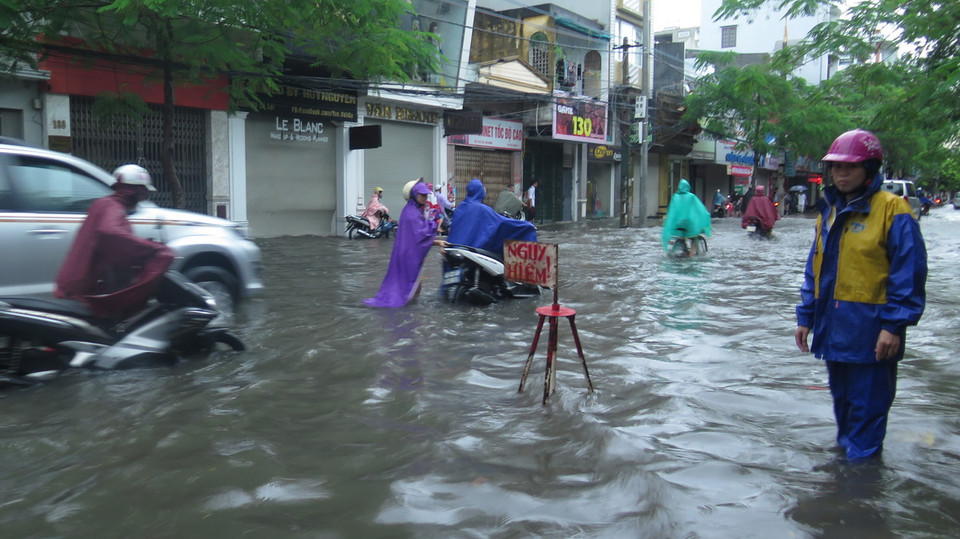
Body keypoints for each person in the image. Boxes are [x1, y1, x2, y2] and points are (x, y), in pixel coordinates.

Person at [795, 128, 927, 460]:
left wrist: (893, 326)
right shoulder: (829, 211)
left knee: (866, 420)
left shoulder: (893, 210)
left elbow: (908, 273)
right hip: (834, 330)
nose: (841, 173)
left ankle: (860, 490)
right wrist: (806, 316)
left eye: (850, 167)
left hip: (873, 334)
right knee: (843, 414)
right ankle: (845, 488)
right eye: (836, 167)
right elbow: (816, 269)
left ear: (869, 169)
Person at [55, 164, 175, 319]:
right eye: (143, 192)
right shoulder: (112, 206)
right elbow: (110, 232)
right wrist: (152, 248)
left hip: (82, 284)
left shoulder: (104, 204)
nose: (143, 197)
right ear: (137, 191)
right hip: (84, 289)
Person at [365, 181, 448, 308]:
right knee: (411, 288)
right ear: (414, 195)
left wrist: (437, 241)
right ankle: (409, 312)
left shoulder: (412, 210)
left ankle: (409, 310)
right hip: (409, 257)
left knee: (413, 286)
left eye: (426, 195)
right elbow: (421, 237)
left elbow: (418, 237)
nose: (425, 198)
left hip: (406, 254)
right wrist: (434, 226)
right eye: (422, 195)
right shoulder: (412, 214)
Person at [447, 178, 537, 257]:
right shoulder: (482, 209)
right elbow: (502, 223)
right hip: (473, 253)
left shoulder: (460, 208)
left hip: (455, 252)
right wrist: (526, 226)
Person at [661, 179, 712, 255]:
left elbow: (672, 211)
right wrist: (706, 216)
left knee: (681, 236)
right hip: (689, 225)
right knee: (694, 238)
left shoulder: (675, 197)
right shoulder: (691, 196)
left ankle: (682, 250)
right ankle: (691, 255)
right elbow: (700, 209)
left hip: (678, 225)